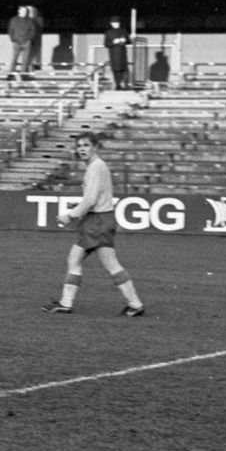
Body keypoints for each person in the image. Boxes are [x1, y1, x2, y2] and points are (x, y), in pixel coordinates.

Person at [43, 133, 145, 317]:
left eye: (86, 145)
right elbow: (94, 198)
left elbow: (90, 200)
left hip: (97, 222)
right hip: (99, 220)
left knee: (84, 261)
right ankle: (135, 304)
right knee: (96, 262)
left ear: (95, 147)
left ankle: (67, 304)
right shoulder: (97, 167)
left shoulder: (95, 168)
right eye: (79, 145)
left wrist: (70, 215)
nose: (81, 149)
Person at [8, 6, 36, 78]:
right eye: (23, 11)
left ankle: (23, 74)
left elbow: (33, 30)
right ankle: (11, 73)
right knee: (14, 58)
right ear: (19, 11)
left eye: (26, 11)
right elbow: (10, 30)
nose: (25, 12)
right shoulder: (14, 20)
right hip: (17, 42)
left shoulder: (29, 21)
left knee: (25, 59)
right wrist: (13, 39)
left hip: (26, 42)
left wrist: (29, 39)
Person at [104, 16, 130, 90]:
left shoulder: (123, 31)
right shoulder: (109, 32)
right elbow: (106, 44)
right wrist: (113, 42)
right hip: (114, 54)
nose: (117, 24)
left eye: (118, 23)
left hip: (122, 53)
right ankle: (118, 84)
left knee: (124, 70)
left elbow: (129, 41)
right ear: (111, 24)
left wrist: (124, 40)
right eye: (115, 23)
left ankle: (123, 84)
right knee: (116, 69)